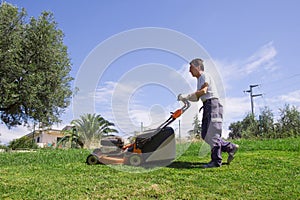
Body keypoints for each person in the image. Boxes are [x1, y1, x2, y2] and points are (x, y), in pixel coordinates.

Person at [178, 58, 239, 168]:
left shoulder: (204, 76)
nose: (189, 71)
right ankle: (230, 147)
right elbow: (197, 97)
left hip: (213, 104)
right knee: (205, 134)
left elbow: (203, 91)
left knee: (212, 132)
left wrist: (186, 96)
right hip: (207, 105)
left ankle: (216, 161)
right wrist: (185, 98)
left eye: (191, 68)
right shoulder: (199, 80)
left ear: (197, 67)